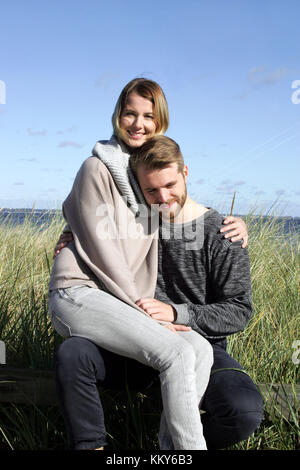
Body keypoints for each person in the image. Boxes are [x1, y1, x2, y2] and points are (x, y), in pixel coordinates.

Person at [49, 78, 253, 450]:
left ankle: (167, 451)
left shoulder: (147, 182)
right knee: (174, 354)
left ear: (161, 122)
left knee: (203, 352)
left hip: (142, 312)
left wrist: (234, 225)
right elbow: (102, 247)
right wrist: (70, 234)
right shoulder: (99, 168)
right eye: (130, 113)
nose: (138, 123)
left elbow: (173, 200)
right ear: (117, 115)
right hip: (91, 293)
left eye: (148, 115)